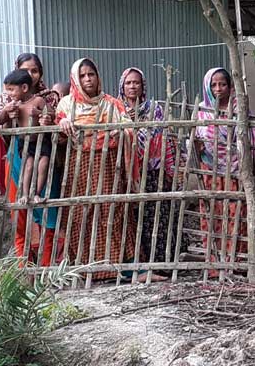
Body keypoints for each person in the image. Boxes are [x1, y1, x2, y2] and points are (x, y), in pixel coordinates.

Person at [56, 58, 148, 281]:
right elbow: (57, 136)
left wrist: (121, 132)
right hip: (78, 169)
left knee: (114, 214)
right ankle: (83, 268)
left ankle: (123, 269)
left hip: (110, 168)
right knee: (80, 215)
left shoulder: (112, 103)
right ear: (75, 80)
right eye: (83, 75)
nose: (88, 79)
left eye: (92, 74)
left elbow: (129, 128)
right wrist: (62, 124)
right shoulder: (66, 106)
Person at [195, 67, 255, 277]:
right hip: (209, 171)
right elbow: (196, 141)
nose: (218, 89)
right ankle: (215, 263)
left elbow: (251, 139)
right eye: (213, 85)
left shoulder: (240, 111)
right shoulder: (201, 111)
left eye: (222, 84)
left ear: (230, 86)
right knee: (212, 215)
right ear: (207, 86)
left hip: (236, 171)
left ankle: (237, 262)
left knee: (236, 216)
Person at [0, 53, 61, 267]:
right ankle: (25, 268)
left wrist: (46, 118)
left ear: (40, 73)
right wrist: (8, 115)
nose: (30, 75)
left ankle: (47, 266)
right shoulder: (8, 98)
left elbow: (55, 125)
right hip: (18, 154)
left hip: (44, 152)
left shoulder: (49, 97)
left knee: (47, 213)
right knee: (20, 215)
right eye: (25, 70)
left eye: (34, 71)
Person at [119, 67, 178, 276]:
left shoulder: (154, 109)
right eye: (128, 83)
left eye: (136, 82)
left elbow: (159, 138)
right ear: (122, 86)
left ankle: (162, 264)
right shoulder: (117, 110)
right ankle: (140, 264)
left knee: (157, 217)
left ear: (143, 85)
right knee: (133, 218)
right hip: (126, 173)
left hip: (153, 172)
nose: (133, 86)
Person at [0, 69, 52, 205]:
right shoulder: (14, 105)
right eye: (7, 90)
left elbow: (52, 114)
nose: (9, 94)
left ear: (24, 87)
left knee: (43, 164)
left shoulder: (38, 100)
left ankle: (37, 193)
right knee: (28, 166)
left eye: (11, 90)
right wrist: (6, 110)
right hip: (25, 142)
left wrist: (40, 112)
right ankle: (25, 194)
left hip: (41, 141)